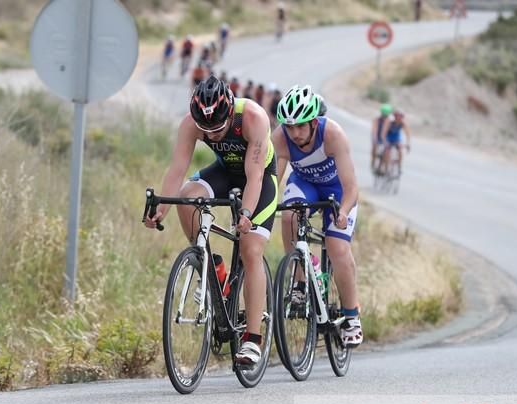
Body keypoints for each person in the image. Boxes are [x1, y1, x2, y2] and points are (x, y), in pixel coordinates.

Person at [144, 75, 278, 366]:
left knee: (250, 249)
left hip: (259, 178)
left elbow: (254, 176)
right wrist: (161, 209)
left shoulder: (252, 117)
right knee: (186, 197)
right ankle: (212, 267)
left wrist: (245, 214)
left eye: (218, 129)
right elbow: (177, 169)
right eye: (207, 130)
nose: (213, 136)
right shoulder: (190, 124)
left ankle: (252, 339)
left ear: (230, 112)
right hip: (225, 171)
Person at [272, 85, 362, 348]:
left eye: (300, 126)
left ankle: (351, 317)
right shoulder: (280, 138)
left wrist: (343, 212)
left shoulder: (332, 134)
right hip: (306, 184)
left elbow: (351, 187)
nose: (295, 133)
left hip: (337, 190)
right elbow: (273, 180)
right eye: (289, 127)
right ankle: (300, 281)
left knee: (337, 247)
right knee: (289, 216)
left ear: (314, 122)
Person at [379, 109, 411, 176]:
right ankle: (386, 168)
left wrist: (408, 143)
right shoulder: (389, 122)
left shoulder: (403, 123)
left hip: (396, 138)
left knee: (400, 151)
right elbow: (383, 133)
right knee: (387, 150)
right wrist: (385, 142)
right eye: (397, 116)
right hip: (388, 137)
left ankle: (399, 167)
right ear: (395, 116)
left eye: (401, 117)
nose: (399, 118)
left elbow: (407, 134)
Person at [371, 103, 391, 173]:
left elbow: (385, 132)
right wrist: (375, 138)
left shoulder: (389, 120)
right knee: (374, 148)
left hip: (384, 137)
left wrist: (384, 140)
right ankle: (373, 163)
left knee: (386, 150)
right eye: (383, 114)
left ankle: (382, 167)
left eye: (386, 115)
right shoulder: (377, 119)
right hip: (377, 136)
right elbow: (374, 130)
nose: (384, 116)